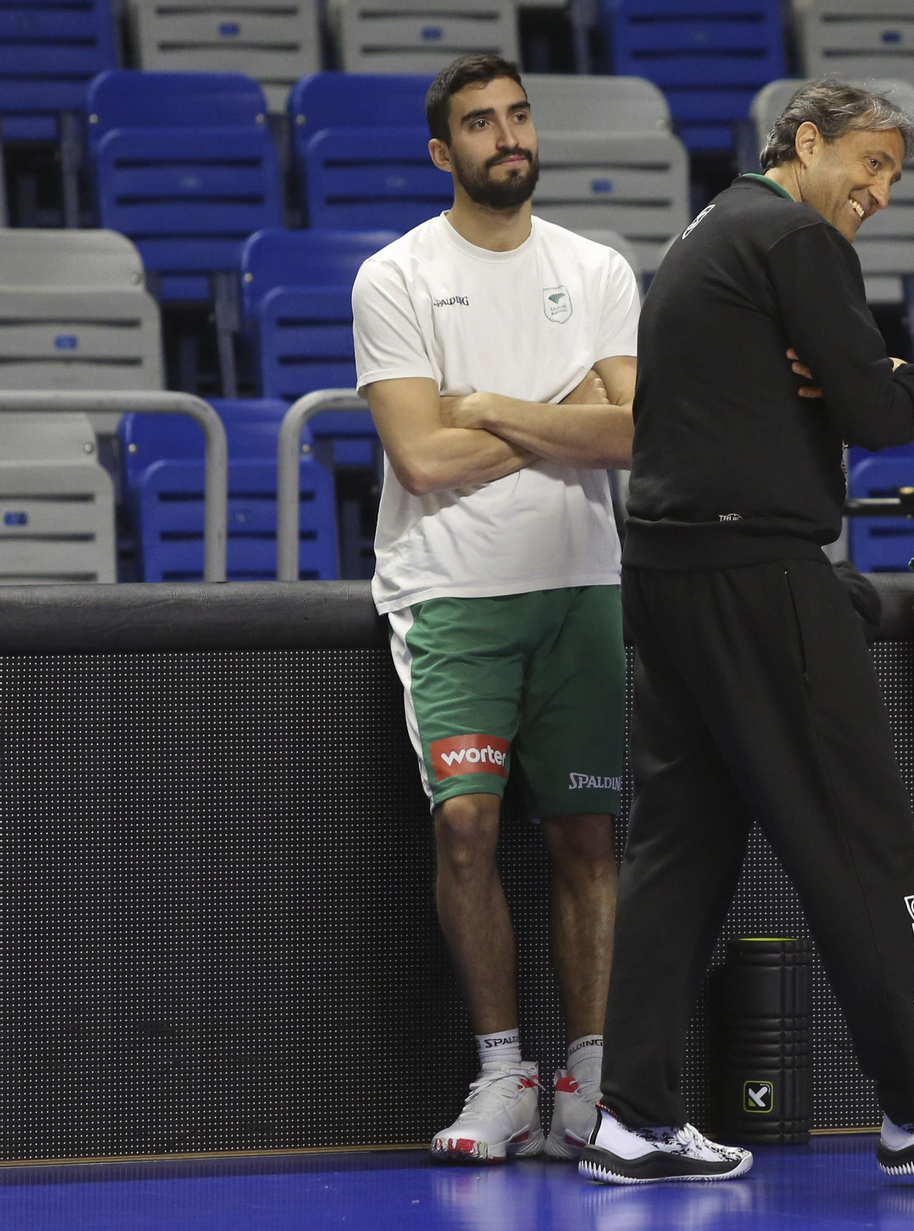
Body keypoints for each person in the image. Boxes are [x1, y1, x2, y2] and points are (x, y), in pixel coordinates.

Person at [578, 81, 914, 1185]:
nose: (879, 191)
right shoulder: (795, 236)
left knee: (681, 848)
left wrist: (848, 375)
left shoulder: (712, 227)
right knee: (861, 840)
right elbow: (877, 410)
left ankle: (633, 1114)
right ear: (804, 143)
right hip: (757, 576)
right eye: (869, 163)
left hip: (664, 571)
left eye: (894, 174)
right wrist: (904, 372)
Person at [351, 53, 639, 1163]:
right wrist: (560, 411)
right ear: (443, 152)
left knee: (587, 837)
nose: (506, 136)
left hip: (583, 585)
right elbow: (421, 460)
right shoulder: (395, 276)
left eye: (517, 115)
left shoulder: (598, 267)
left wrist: (491, 406)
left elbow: (637, 433)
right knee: (466, 826)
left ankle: (594, 1085)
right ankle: (502, 1076)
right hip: (451, 593)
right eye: (479, 123)